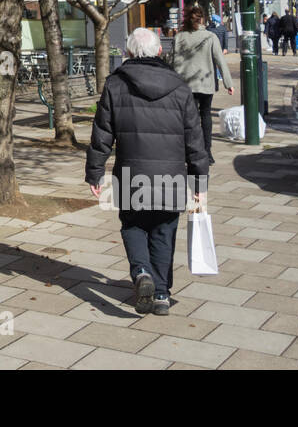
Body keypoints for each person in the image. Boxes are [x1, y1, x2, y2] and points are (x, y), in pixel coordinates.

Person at [86, 27, 207, 316]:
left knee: (133, 225)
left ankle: (142, 272)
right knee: (164, 231)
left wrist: (95, 172)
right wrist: (200, 181)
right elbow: (195, 138)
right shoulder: (179, 87)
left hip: (131, 173)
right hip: (172, 176)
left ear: (128, 52)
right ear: (160, 52)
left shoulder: (115, 85)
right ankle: (162, 294)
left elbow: (102, 132)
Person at [174, 6, 234, 165]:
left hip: (186, 84)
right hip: (206, 84)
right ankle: (207, 152)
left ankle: (191, 151)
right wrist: (228, 83)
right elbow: (220, 60)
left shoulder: (180, 37)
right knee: (206, 115)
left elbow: (176, 63)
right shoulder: (210, 36)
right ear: (202, 19)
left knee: (189, 119)